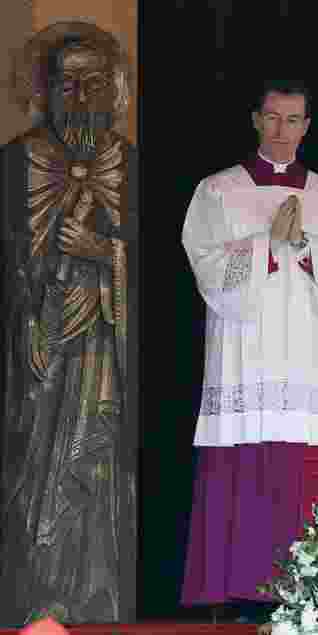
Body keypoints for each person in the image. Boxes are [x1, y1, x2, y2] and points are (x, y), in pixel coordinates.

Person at [179, 80, 318, 621]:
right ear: (256, 120)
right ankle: (238, 589)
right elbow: (206, 263)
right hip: (245, 346)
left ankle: (317, 592)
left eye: (292, 120)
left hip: (308, 348)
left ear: (307, 126)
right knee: (246, 462)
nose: (281, 129)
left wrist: (307, 245)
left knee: (306, 465)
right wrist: (267, 242)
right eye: (272, 118)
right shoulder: (218, 191)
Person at [0, 22, 137, 625]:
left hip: (108, 347)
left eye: (93, 84)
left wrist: (103, 253)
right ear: (45, 91)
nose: (80, 97)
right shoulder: (12, 166)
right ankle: (35, 603)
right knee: (35, 476)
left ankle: (97, 602)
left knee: (99, 467)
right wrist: (24, 314)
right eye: (67, 83)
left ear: (114, 92)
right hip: (35, 351)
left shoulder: (134, 169)